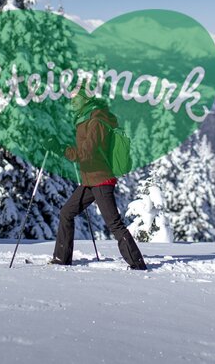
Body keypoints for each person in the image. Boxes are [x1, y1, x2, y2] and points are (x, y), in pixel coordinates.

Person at [50, 91, 148, 270]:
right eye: (71, 98)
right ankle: (61, 259)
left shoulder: (96, 122)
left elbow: (88, 153)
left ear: (86, 99)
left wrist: (61, 149)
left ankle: (137, 264)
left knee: (114, 223)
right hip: (90, 180)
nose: (72, 101)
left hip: (101, 179)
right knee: (66, 213)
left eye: (76, 98)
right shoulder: (87, 119)